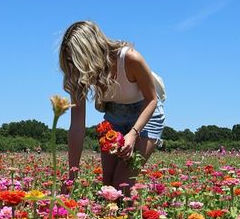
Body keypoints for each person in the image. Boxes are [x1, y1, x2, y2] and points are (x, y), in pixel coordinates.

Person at [59, 20, 165, 191]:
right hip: (114, 116)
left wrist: (132, 134)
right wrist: (72, 174)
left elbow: (152, 99)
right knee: (108, 187)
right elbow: (77, 125)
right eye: (70, 61)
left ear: (90, 52)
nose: (75, 68)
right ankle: (117, 217)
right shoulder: (78, 74)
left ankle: (133, 216)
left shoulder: (130, 58)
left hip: (145, 114)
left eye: (77, 60)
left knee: (121, 183)